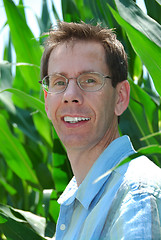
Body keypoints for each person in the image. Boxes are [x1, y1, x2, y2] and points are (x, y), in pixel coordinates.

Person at [40, 21, 161, 239]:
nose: (70, 95)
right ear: (47, 103)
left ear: (120, 97)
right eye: (59, 82)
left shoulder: (135, 196)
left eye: (89, 80)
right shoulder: (78, 199)